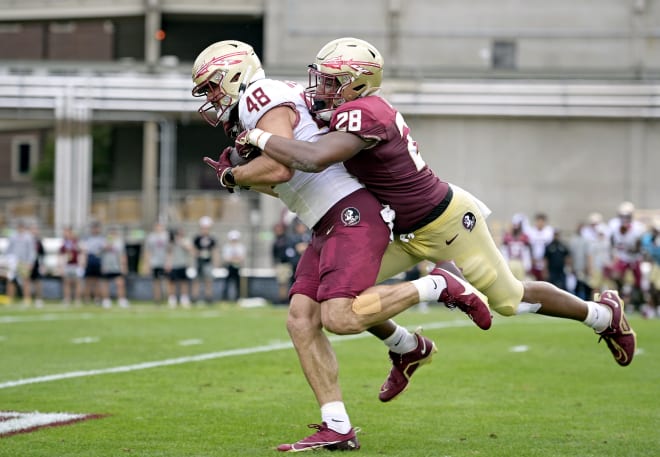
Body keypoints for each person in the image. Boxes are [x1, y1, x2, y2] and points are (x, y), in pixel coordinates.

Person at [239, 37, 636, 371]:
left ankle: (601, 315)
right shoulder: (343, 111)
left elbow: (312, 158)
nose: (321, 89)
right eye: (320, 79)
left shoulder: (366, 112)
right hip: (399, 228)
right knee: (341, 295)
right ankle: (405, 348)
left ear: (358, 84)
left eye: (331, 81)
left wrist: (258, 138)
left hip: (446, 222)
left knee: (510, 301)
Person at [193, 40, 489, 452]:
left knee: (340, 317)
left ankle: (438, 286)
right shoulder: (268, 99)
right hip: (325, 219)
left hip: (350, 213)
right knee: (300, 319)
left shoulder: (259, 98)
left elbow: (280, 165)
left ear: (233, 74)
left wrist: (234, 177)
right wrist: (241, 176)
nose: (209, 98)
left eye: (210, 87)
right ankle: (343, 417)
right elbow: (285, 185)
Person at [5, 219, 36, 306]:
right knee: (11, 280)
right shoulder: (13, 236)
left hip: (24, 262)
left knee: (25, 281)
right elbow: (9, 250)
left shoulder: (28, 237)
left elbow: (31, 251)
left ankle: (27, 299)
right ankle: (10, 298)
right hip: (13, 262)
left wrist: (30, 262)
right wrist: (8, 260)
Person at [100, 225, 129, 308]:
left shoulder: (119, 242)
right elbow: (100, 252)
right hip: (106, 266)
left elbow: (123, 254)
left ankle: (121, 300)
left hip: (117, 266)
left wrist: (124, 266)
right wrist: (107, 245)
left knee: (120, 283)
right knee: (105, 283)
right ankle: (106, 300)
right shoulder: (104, 241)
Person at [192, 216, 218, 305]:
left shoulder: (211, 239)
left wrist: (215, 263)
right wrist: (199, 254)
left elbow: (214, 251)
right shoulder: (197, 238)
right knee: (197, 280)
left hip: (208, 262)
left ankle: (208, 298)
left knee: (208, 280)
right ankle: (195, 298)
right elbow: (193, 250)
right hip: (199, 262)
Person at [166, 227, 193, 308]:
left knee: (183, 282)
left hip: (182, 264)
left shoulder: (185, 240)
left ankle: (184, 298)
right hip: (174, 264)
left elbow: (190, 249)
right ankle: (172, 299)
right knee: (172, 282)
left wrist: (181, 242)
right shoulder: (171, 242)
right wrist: (168, 263)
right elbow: (169, 253)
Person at [143, 221, 169, 304]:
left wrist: (168, 262)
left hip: (164, 262)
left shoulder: (166, 236)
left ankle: (168, 298)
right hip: (154, 262)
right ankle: (157, 299)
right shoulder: (151, 237)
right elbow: (148, 251)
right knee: (156, 281)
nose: (158, 228)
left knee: (167, 281)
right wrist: (147, 264)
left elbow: (169, 250)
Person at [81, 221, 105, 305]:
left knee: (97, 281)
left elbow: (103, 251)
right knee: (88, 281)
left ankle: (97, 298)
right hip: (90, 259)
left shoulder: (102, 239)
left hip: (98, 260)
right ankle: (87, 298)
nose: (95, 230)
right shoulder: (87, 238)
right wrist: (84, 262)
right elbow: (84, 251)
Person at [59, 225, 83, 306]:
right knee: (67, 282)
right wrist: (60, 266)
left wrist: (82, 264)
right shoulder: (64, 243)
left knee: (77, 282)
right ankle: (67, 299)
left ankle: (77, 299)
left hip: (76, 264)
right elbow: (61, 254)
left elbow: (81, 251)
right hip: (67, 265)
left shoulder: (76, 241)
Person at [221, 229, 246, 301]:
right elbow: (226, 258)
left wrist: (234, 259)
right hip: (229, 267)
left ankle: (237, 298)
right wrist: (234, 259)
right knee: (227, 283)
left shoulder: (240, 247)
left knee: (237, 283)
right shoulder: (227, 247)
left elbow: (242, 257)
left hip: (237, 267)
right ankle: (225, 298)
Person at [28, 223, 45, 307]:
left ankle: (38, 299)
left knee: (38, 282)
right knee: (27, 281)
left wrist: (42, 265)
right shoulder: (27, 240)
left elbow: (42, 254)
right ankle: (27, 298)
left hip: (36, 263)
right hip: (27, 263)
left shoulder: (38, 241)